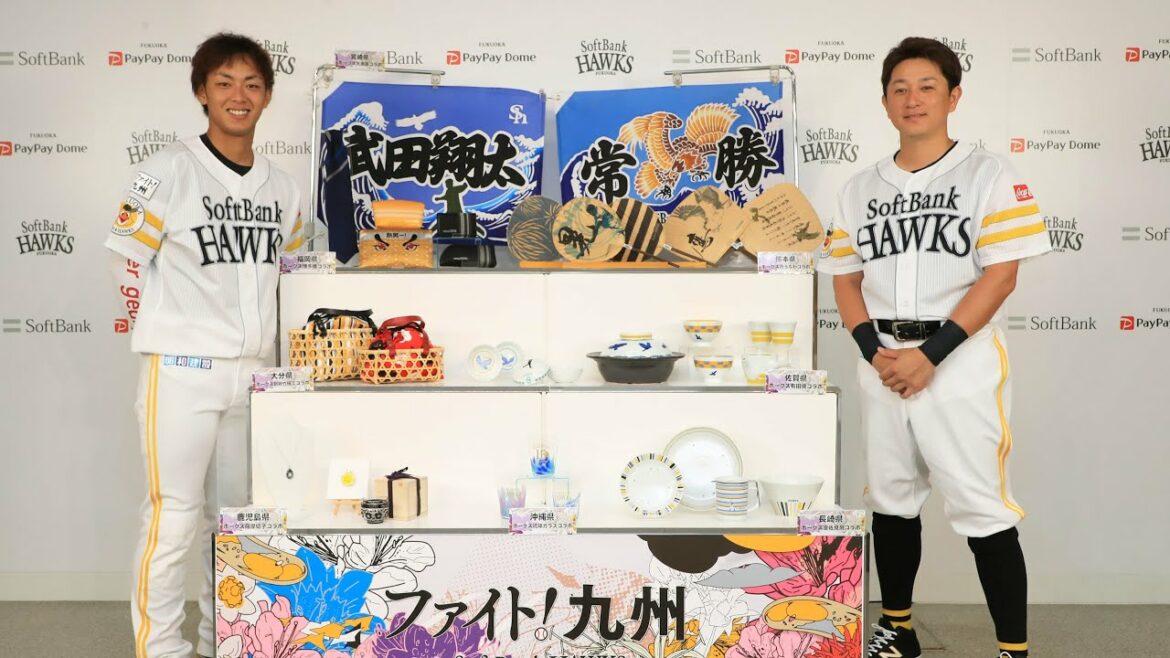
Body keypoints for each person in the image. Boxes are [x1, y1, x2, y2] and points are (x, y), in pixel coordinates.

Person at [818, 37, 1050, 658]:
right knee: (891, 501)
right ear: (884, 102)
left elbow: (1000, 275)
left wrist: (931, 355)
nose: (912, 98)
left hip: (960, 361)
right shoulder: (859, 187)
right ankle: (898, 630)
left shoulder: (988, 173)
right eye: (900, 88)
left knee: (983, 508)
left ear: (953, 96)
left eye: (927, 86)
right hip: (885, 362)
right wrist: (875, 354)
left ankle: (1013, 650)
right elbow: (844, 279)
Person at [105, 33, 304, 658]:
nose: (238, 95)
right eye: (224, 83)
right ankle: (162, 648)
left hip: (254, 378)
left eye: (251, 84)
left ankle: (228, 638)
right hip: (182, 370)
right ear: (201, 92)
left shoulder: (285, 188)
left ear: (266, 96)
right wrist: (161, 333)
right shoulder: (168, 169)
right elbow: (127, 260)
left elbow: (294, 282)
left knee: (238, 520)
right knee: (173, 516)